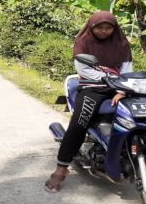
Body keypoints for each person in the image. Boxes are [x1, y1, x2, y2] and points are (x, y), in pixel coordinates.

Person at [44, 11, 133, 193]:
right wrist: (111, 80)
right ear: (91, 27)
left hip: (120, 88)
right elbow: (85, 70)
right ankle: (61, 169)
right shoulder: (83, 42)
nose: (104, 31)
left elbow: (127, 68)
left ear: (114, 28)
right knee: (79, 124)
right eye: (99, 27)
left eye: (108, 27)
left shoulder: (122, 43)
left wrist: (122, 89)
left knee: (138, 115)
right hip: (93, 87)